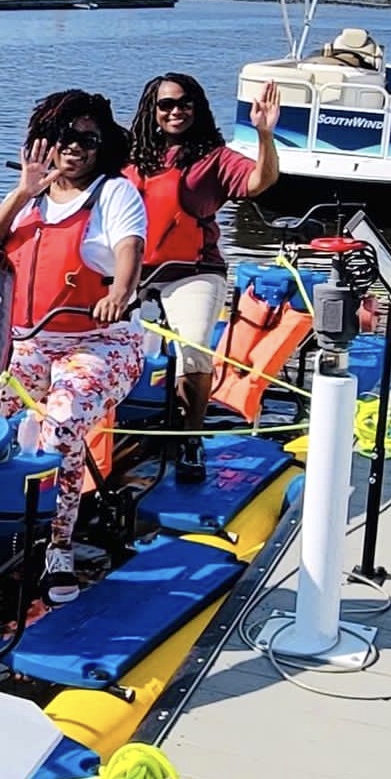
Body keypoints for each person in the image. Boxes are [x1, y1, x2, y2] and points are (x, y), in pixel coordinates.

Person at [0, 89, 145, 604]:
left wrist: (120, 291)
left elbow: (129, 249)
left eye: (87, 139)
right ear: (44, 142)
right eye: (65, 136)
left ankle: (59, 544)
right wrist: (20, 194)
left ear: (102, 146)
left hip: (101, 341)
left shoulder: (114, 194)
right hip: (30, 343)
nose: (75, 147)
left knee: (64, 423)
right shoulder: (31, 200)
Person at [124, 73, 281, 481]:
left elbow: (259, 181)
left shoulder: (215, 156)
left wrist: (265, 135)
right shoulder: (130, 152)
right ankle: (132, 428)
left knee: (191, 348)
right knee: (124, 349)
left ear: (197, 107)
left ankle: (190, 436)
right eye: (166, 105)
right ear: (151, 110)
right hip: (134, 274)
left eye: (184, 103)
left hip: (193, 272)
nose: (175, 111)